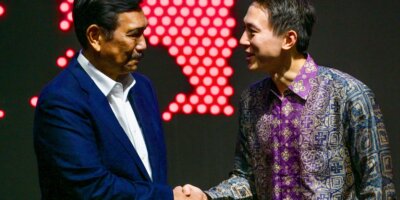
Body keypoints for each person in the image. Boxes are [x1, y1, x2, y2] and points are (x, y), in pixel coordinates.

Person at [183, 0, 397, 199]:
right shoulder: (252, 99)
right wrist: (207, 196)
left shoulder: (349, 94)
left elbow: (378, 188)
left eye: (252, 31)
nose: (242, 40)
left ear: (288, 39)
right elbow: (247, 178)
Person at [33, 0, 207, 199]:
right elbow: (90, 188)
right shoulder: (61, 101)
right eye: (133, 35)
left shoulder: (143, 87)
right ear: (95, 36)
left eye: (144, 32)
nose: (143, 44)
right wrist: (168, 197)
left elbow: (151, 176)